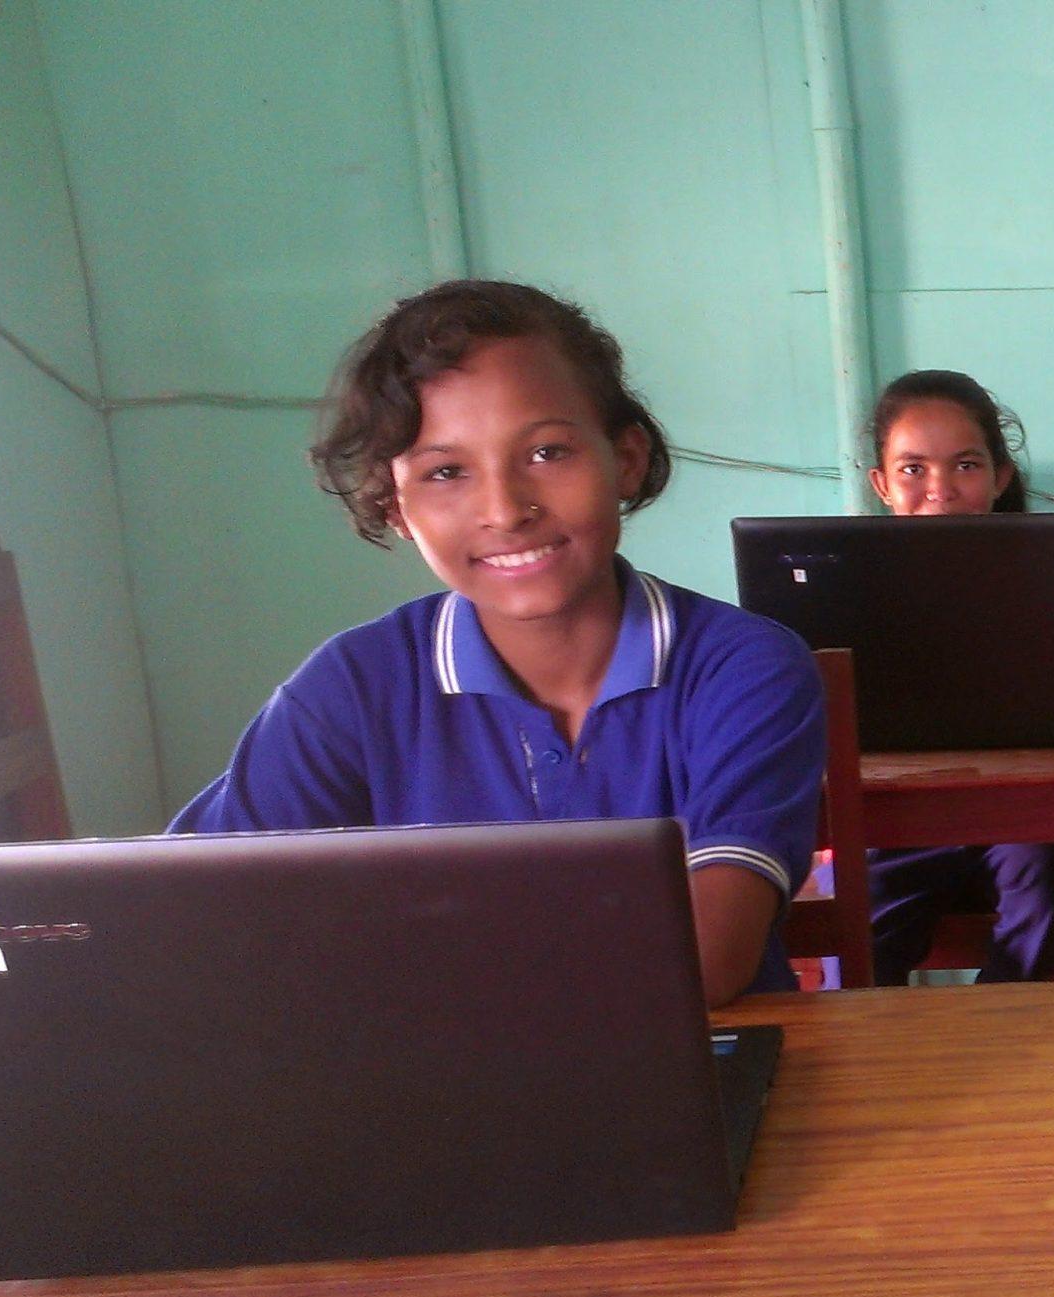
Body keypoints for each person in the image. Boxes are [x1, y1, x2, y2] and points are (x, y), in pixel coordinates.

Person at [173, 280, 823, 1006]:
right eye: (446, 472)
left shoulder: (742, 668)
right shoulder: (352, 691)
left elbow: (707, 958)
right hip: (431, 1088)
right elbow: (197, 917)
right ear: (394, 505)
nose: (505, 510)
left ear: (627, 458)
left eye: (547, 451)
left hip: (701, 1070)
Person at [851, 369, 1054, 984]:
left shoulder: (1031, 568)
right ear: (883, 485)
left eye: (965, 465)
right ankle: (876, 1066)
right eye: (913, 469)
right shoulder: (854, 580)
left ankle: (995, 1033)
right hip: (898, 820)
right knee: (861, 939)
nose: (940, 489)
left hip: (1018, 811)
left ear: (999, 478)